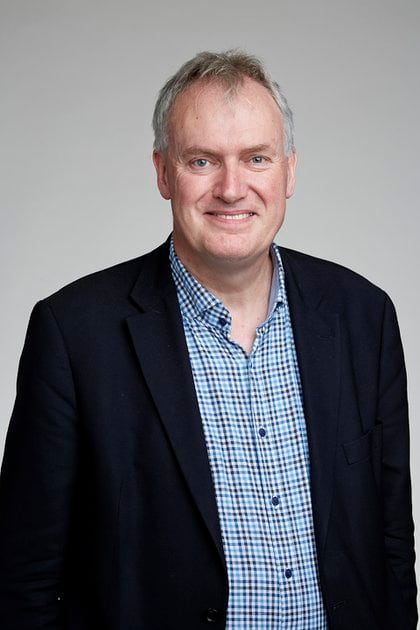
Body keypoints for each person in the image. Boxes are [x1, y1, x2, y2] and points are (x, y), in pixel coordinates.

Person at [0, 50, 416, 630]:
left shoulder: (362, 315)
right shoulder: (74, 335)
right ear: (163, 172)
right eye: (202, 160)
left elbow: (391, 545)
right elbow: (25, 581)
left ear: (289, 172)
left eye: (257, 158)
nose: (232, 187)